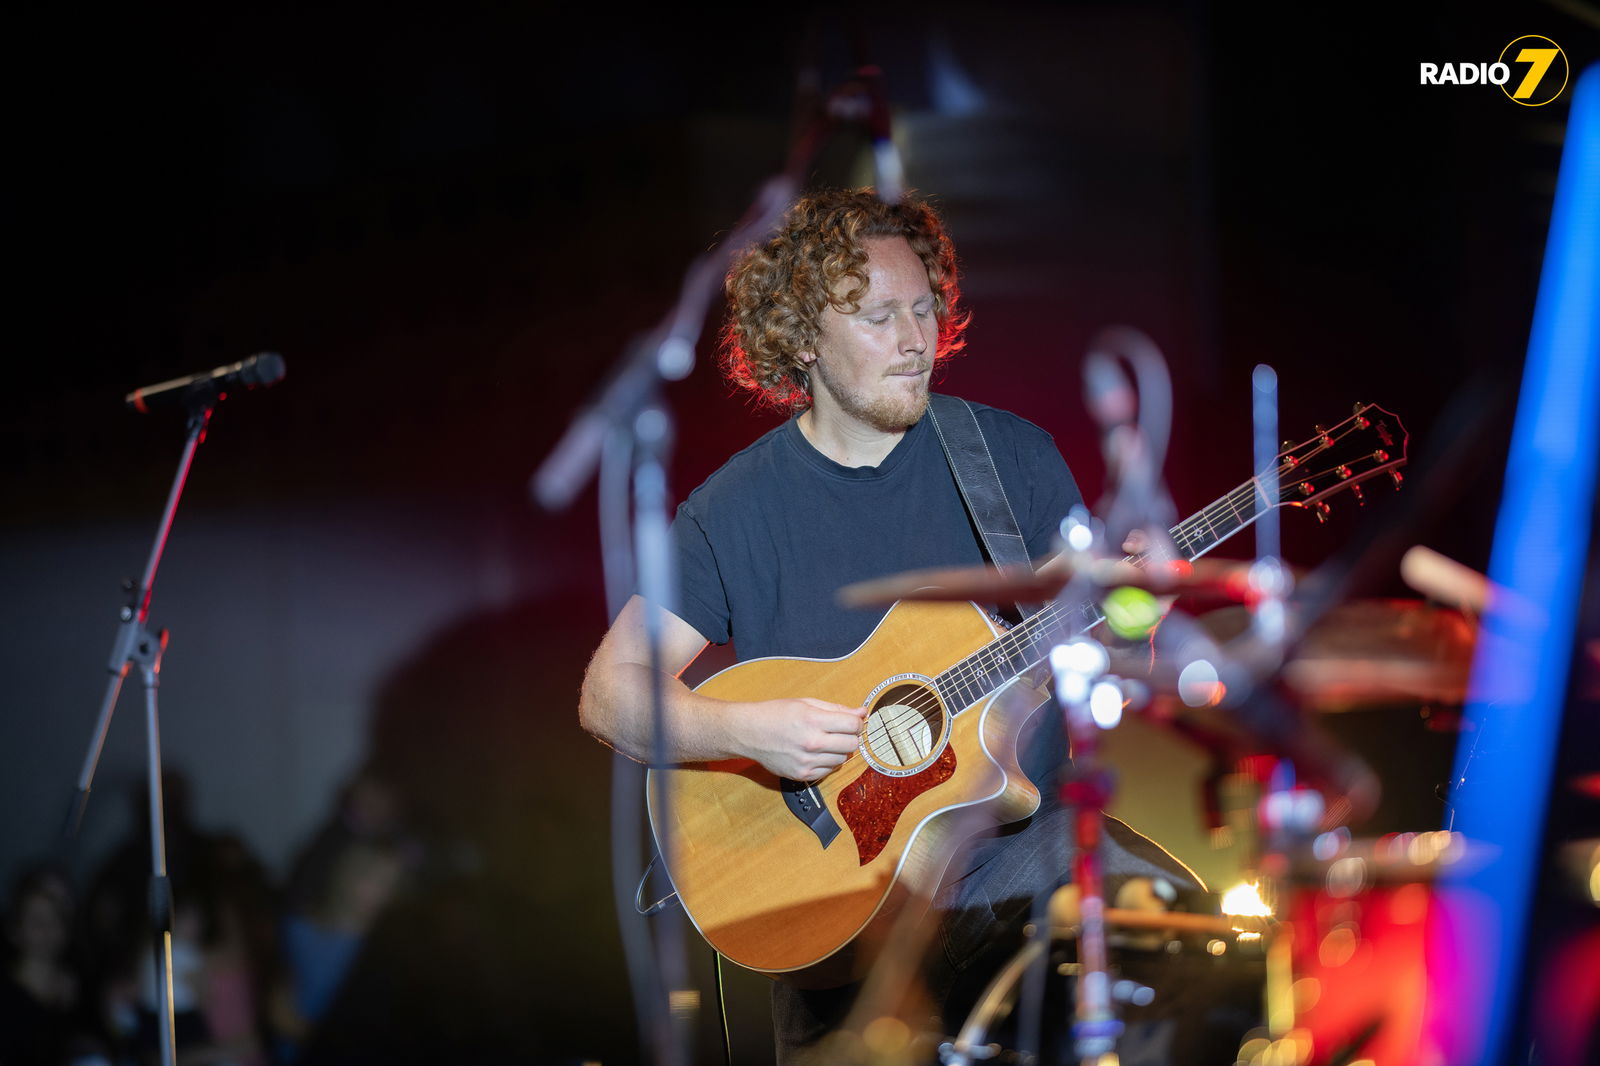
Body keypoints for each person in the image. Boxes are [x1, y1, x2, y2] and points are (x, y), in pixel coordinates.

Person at [578, 187, 1204, 1063]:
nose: (917, 342)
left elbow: (1106, 655)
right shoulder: (733, 512)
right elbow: (611, 699)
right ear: (800, 339)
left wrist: (1140, 608)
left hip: (1022, 868)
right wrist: (748, 731)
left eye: (924, 310)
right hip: (839, 924)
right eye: (879, 318)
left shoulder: (1008, 458)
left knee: (1179, 938)